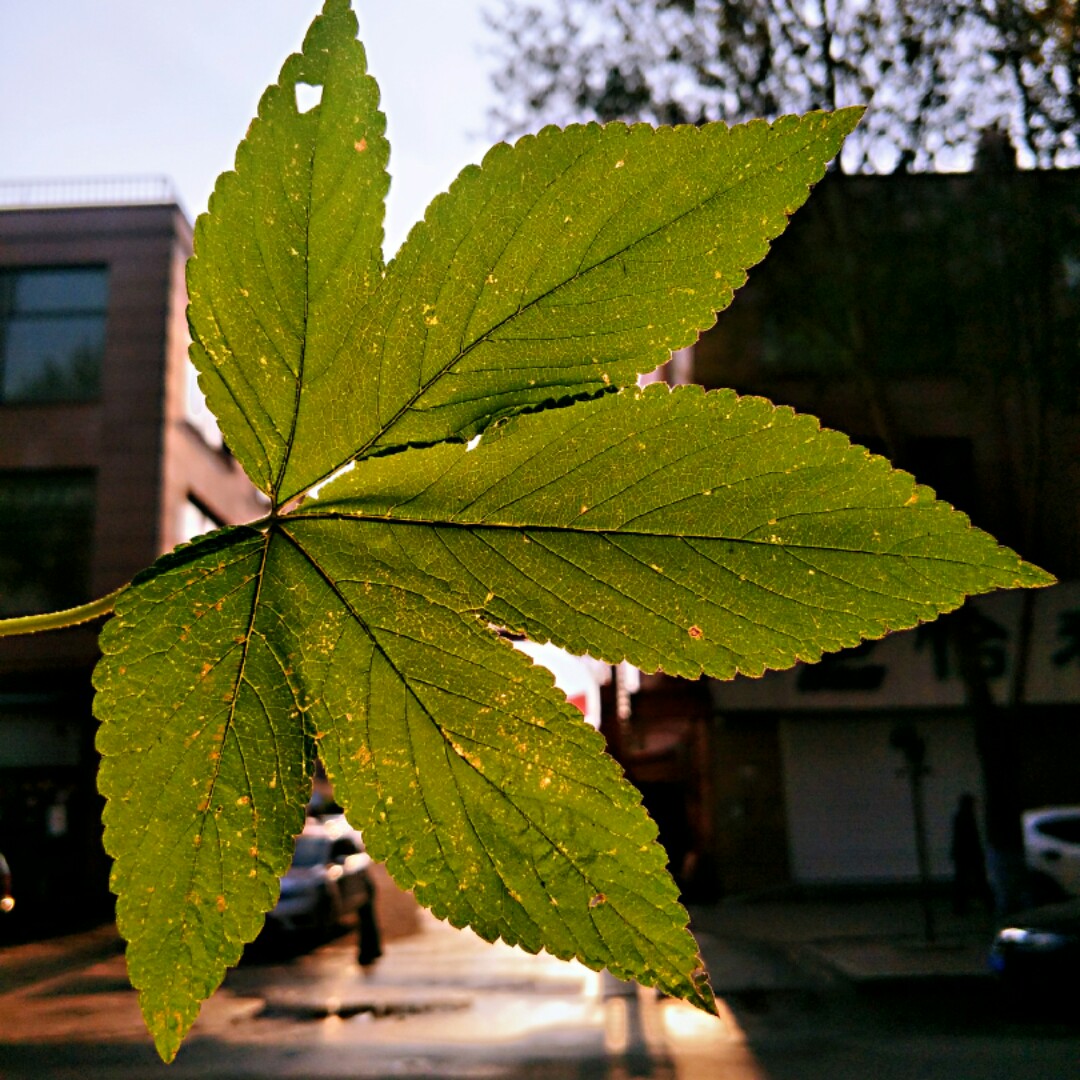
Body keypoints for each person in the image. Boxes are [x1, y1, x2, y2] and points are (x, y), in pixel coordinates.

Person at [950, 793, 990, 915]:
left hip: (961, 854)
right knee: (979, 879)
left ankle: (960, 906)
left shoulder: (959, 817)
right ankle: (987, 903)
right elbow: (972, 838)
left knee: (961, 881)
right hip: (970, 854)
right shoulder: (968, 817)